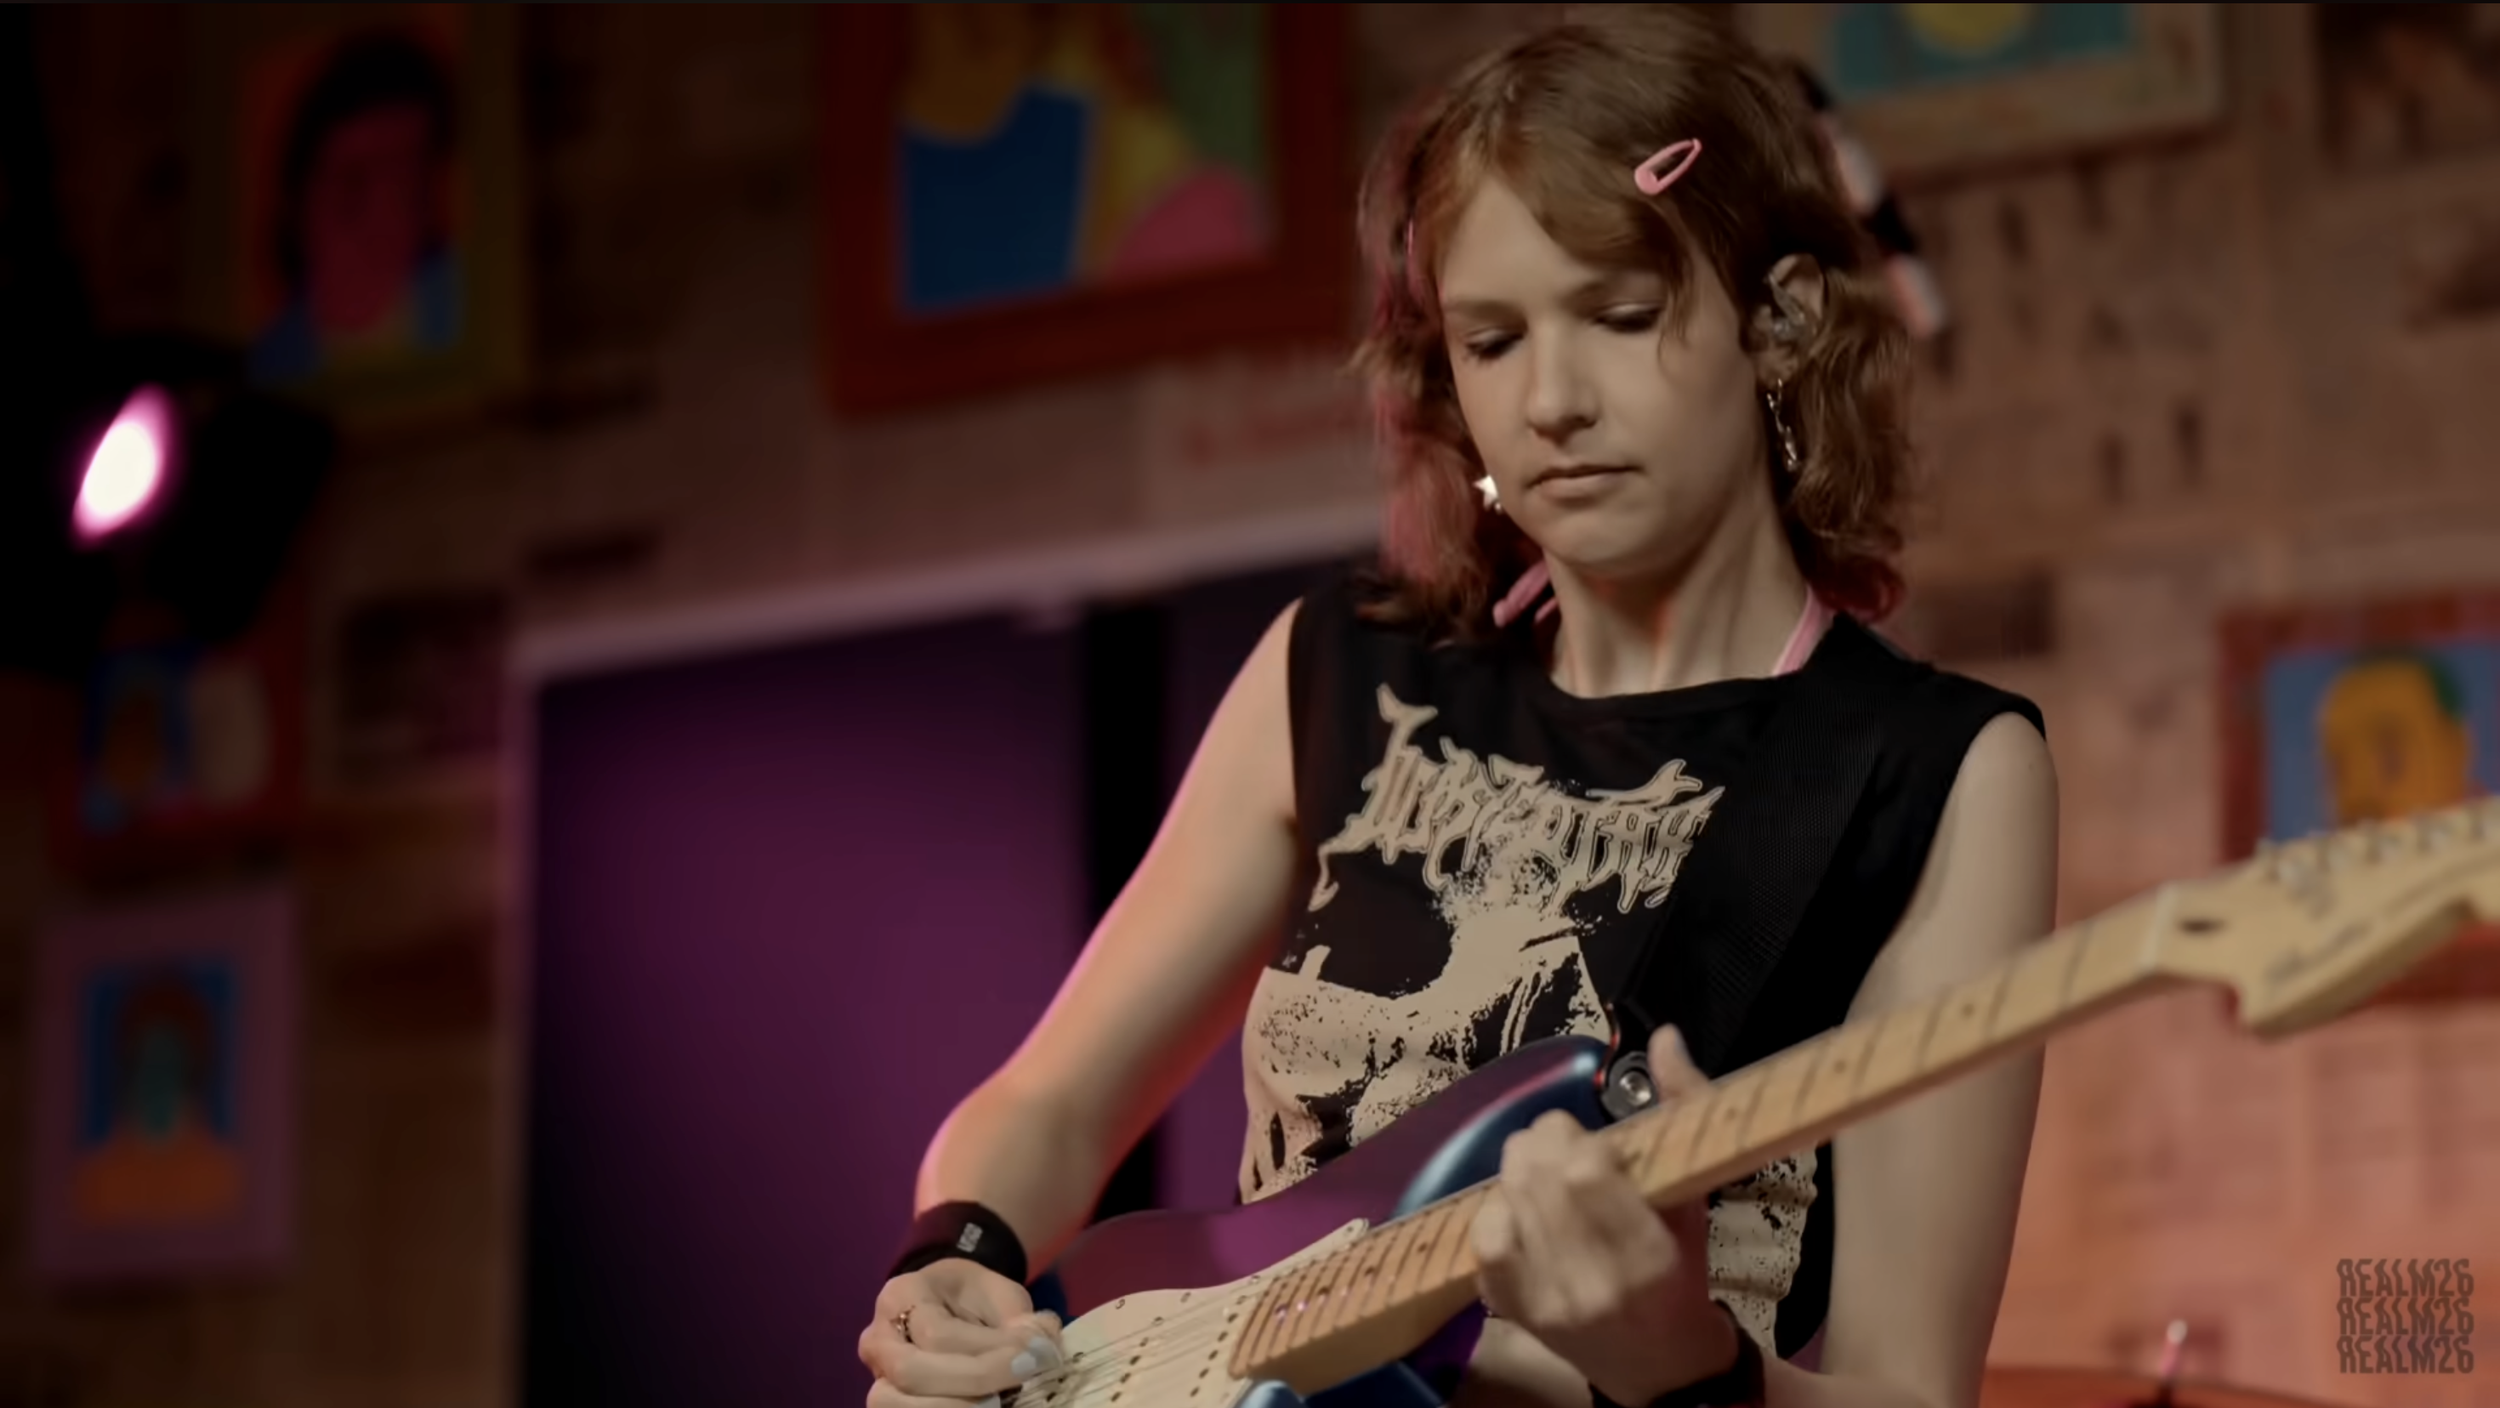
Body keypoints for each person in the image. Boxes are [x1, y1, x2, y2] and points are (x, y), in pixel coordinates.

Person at [860, 11, 2056, 1408]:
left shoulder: (1926, 770)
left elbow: (1914, 1393)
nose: (1550, 400)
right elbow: (1051, 1105)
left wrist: (1687, 1364)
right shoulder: (1339, 671)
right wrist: (960, 1247)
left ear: (1778, 322)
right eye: (1492, 342)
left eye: (1618, 316)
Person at [250, 29, 463, 384]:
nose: (380, 208)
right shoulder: (269, 362)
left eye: (403, 180)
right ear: (297, 200)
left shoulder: (465, 312)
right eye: (352, 182)